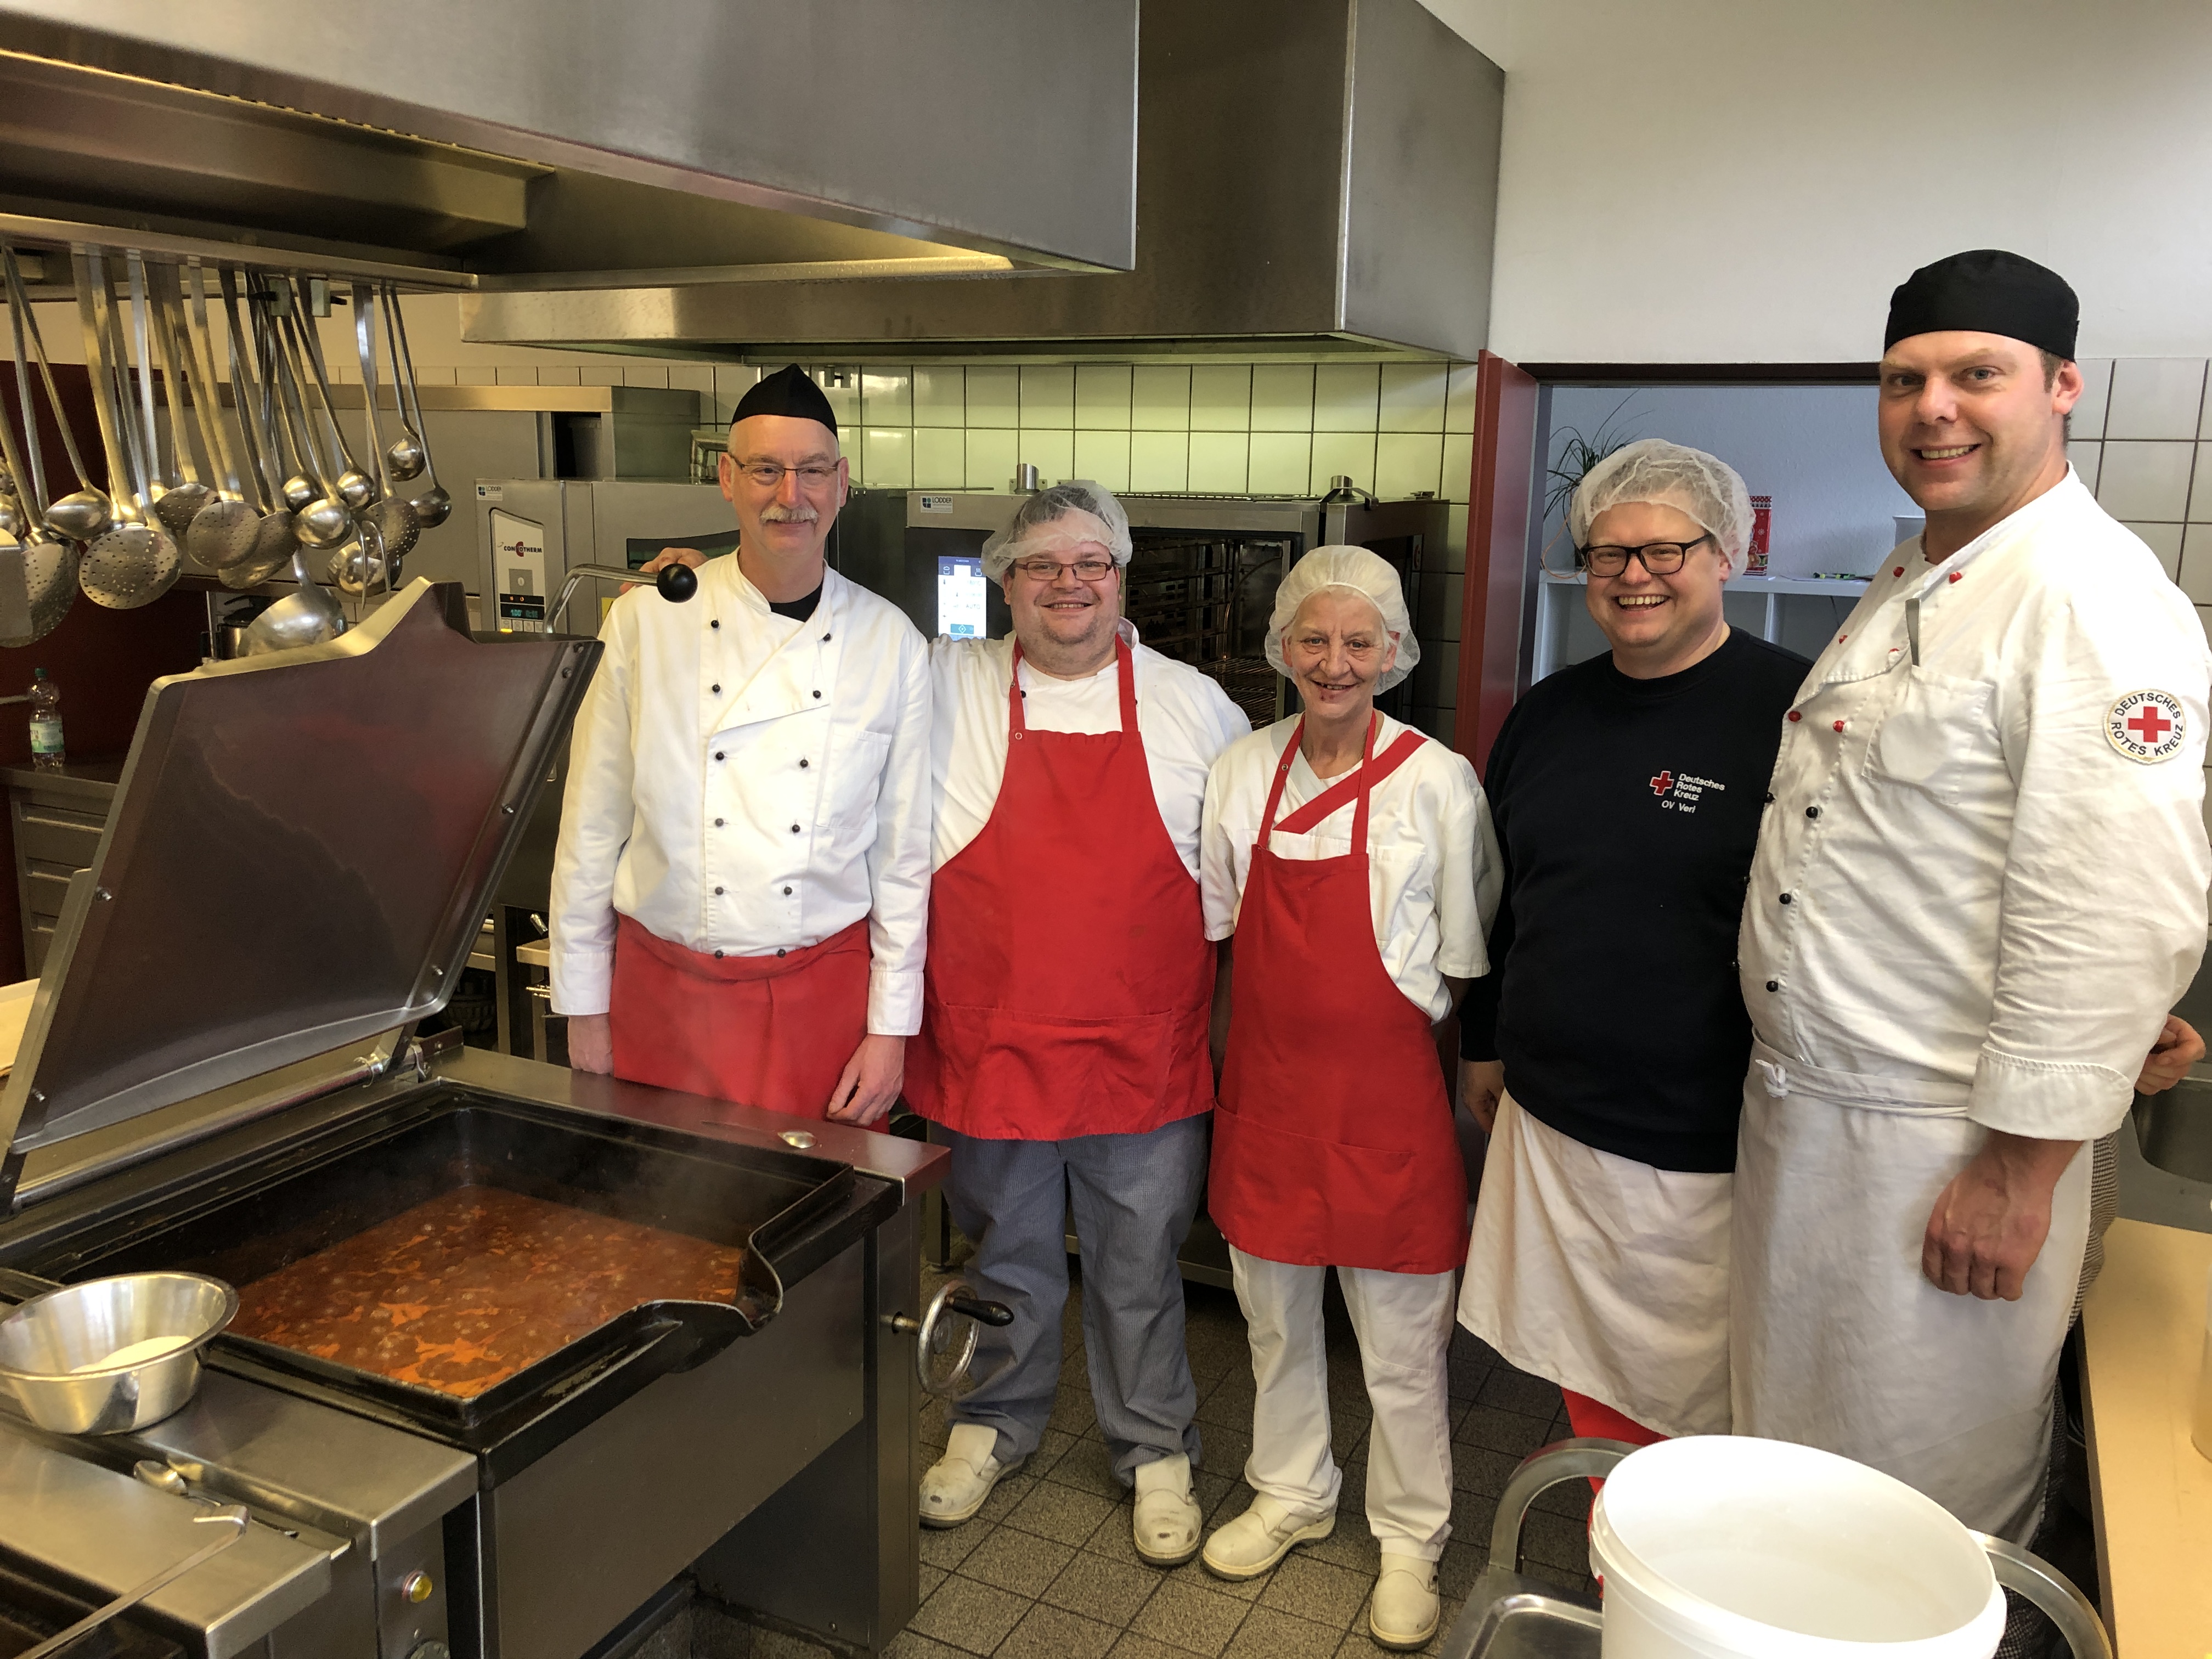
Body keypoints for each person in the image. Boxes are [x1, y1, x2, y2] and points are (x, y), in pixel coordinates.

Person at [1733, 251, 2212, 1558]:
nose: (1934, 407)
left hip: (1943, 1144)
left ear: (2061, 387)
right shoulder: (1920, 578)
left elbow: (2119, 899)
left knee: (1912, 1506)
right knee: (1797, 1475)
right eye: (1905, 380)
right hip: (1815, 1118)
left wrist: (2021, 1165)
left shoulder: (2091, 599)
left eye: (1975, 375)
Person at [904, 483, 1248, 1563]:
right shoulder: (939, 688)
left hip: (1140, 1044)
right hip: (991, 1038)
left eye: (1090, 563)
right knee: (1002, 1252)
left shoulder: (1196, 707)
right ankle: (988, 1424)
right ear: (1007, 581)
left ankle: (1154, 1450)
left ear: (1122, 575)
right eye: (1043, 565)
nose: (1069, 585)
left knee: (1140, 1258)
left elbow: (1238, 888)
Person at [1456, 441, 1808, 1449]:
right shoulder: (1549, 712)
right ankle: (1615, 1553)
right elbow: (1506, 897)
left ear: (1726, 552)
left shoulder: (1794, 714)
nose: (1633, 577)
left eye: (1666, 551)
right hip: (1553, 1117)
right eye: (1609, 555)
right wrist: (1485, 1041)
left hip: (1705, 1144)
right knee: (1584, 1381)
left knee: (1698, 1406)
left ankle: (1668, 1582)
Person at [1199, 547, 1497, 1651]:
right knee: (1275, 1326)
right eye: (1314, 640)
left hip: (1387, 1112)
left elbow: (1464, 956)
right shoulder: (1242, 770)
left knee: (1402, 1348)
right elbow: (1223, 927)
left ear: (1394, 653)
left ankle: (1412, 1541)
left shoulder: (1438, 780)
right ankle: (1290, 1492)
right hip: (1269, 1102)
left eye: (1357, 642)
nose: (1334, 663)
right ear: (1284, 648)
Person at [548, 364, 931, 1126]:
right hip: (662, 994)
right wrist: (584, 1009)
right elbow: (590, 827)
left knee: (811, 1226)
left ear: (842, 483)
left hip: (821, 999)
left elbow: (902, 859)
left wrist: (891, 1031)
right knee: (659, 1228)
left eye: (813, 471)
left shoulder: (892, 643)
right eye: (766, 470)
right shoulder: (647, 622)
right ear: (727, 478)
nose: (792, 495)